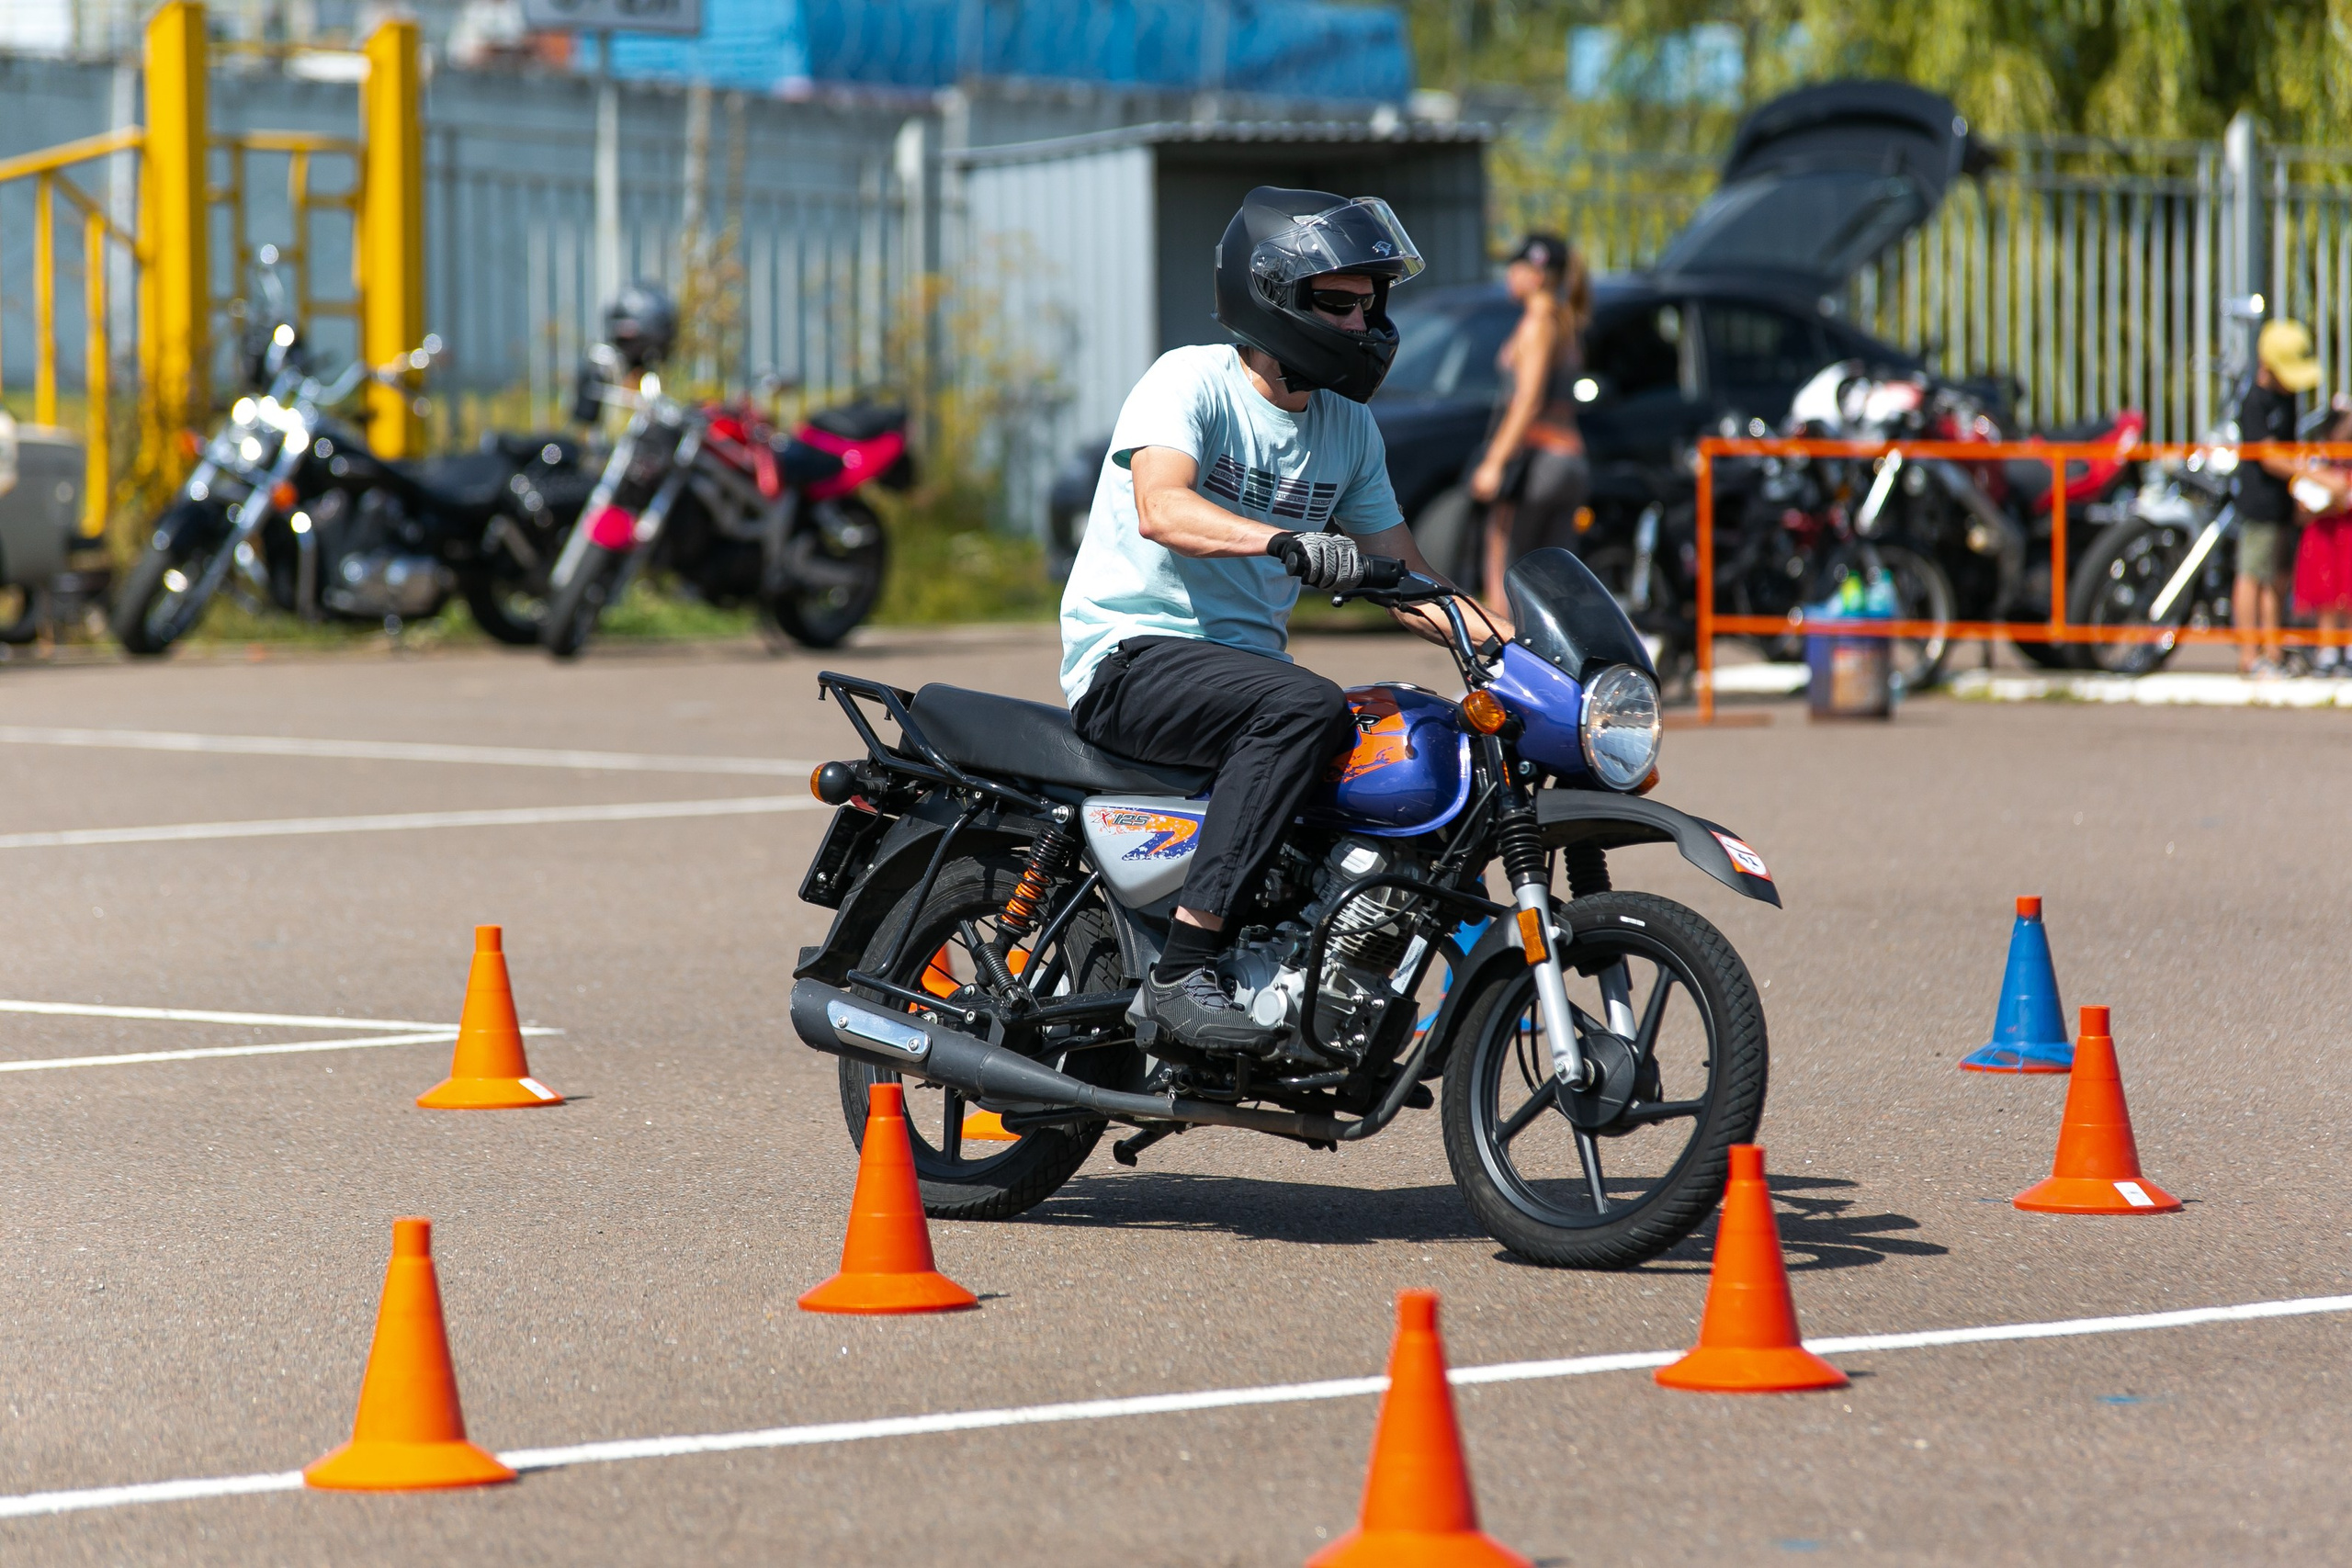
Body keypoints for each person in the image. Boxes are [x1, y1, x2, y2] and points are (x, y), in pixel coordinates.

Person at [1058, 186, 1505, 1054]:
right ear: (1274, 299)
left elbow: (1411, 577)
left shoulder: (1349, 430)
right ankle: (1187, 968)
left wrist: (1515, 653)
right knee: (1305, 704)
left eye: (1371, 305)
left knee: (1418, 736)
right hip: (1133, 657)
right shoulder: (1190, 380)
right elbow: (1162, 506)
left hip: (1235, 679)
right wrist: (1289, 544)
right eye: (1337, 304)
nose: (1363, 324)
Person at [1467, 234, 1590, 614]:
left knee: (1507, 575)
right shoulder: (1565, 319)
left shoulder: (1538, 321)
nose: (1509, 275)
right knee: (1554, 582)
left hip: (1537, 462)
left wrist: (1495, 462)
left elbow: (1528, 400)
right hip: (1570, 460)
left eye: (1515, 267)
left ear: (1536, 274)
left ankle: (1509, 664)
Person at [2233, 319, 2323, 677]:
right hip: (2259, 505)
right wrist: (2314, 476)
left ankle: (2273, 650)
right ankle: (2249, 655)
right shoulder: (2255, 401)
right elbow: (2270, 457)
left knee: (2277, 578)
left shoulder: (2288, 398)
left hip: (2283, 505)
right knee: (2252, 576)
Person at [2291, 394, 2352, 673]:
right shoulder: (2316, 462)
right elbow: (2303, 505)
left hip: (2346, 536)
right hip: (2324, 538)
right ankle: (2326, 650)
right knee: (2326, 595)